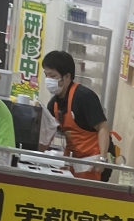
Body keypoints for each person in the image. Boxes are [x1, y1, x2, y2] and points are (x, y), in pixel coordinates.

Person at [39, 49, 111, 180]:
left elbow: (103, 127)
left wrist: (102, 158)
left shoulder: (84, 97)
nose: (48, 80)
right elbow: (47, 136)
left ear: (67, 77)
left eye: (52, 76)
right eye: (46, 75)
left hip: (94, 164)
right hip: (73, 162)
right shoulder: (53, 104)